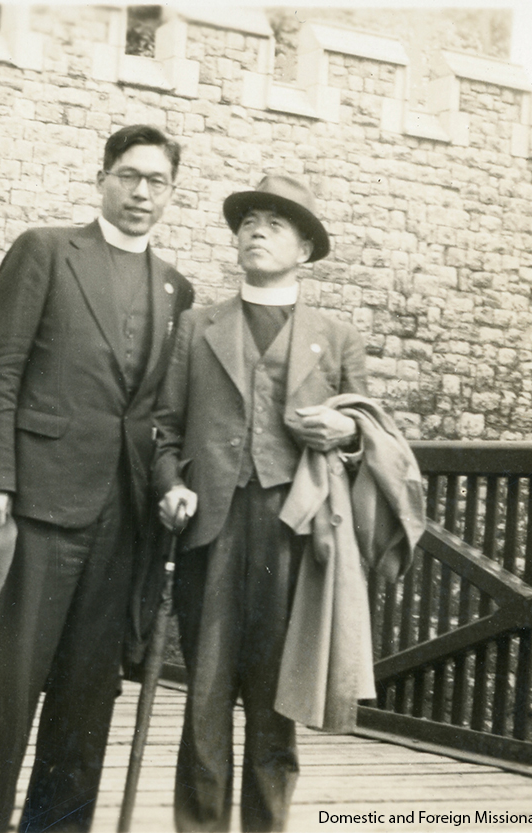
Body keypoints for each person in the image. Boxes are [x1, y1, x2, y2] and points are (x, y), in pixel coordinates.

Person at [0, 124, 195, 833]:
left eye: (157, 181)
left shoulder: (177, 288)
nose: (141, 192)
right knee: (8, 688)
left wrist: (167, 487)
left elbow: (160, 412)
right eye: (129, 176)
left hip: (125, 517)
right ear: (102, 179)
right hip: (41, 500)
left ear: (171, 193)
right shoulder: (46, 250)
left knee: (88, 699)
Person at [151, 174, 369, 832]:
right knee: (205, 697)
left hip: (295, 532)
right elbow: (164, 429)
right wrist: (170, 485)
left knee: (278, 702)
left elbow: (369, 434)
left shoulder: (336, 336)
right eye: (249, 221)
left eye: (276, 223)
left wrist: (348, 431)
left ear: (304, 249)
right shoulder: (198, 326)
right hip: (211, 527)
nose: (257, 231)